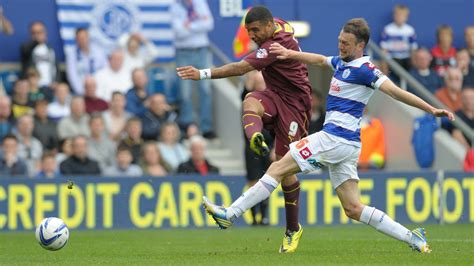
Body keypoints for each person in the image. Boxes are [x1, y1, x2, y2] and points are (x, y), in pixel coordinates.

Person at [202, 18, 454, 254]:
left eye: (345, 43)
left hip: (335, 138)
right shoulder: (342, 62)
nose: (340, 45)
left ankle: (231, 214)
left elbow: (396, 92)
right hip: (346, 144)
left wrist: (430, 109)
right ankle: (413, 238)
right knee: (353, 208)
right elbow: (320, 59)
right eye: (339, 40)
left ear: (360, 45)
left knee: (278, 167)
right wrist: (290, 54)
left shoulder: (366, 69)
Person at [177, 6, 312, 252]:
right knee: (250, 99)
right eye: (248, 30)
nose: (251, 35)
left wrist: (202, 74)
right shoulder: (279, 25)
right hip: (275, 94)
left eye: (255, 30)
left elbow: (240, 68)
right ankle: (256, 137)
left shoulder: (272, 46)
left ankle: (293, 228)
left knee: (283, 167)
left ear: (269, 25)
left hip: (296, 106)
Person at [172, 0, 216, 138]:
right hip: (183, 52)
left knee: (206, 90)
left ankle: (206, 128)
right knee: (185, 93)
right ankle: (188, 127)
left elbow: (209, 24)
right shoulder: (175, 6)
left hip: (201, 51)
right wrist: (198, 24)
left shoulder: (199, 3)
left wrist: (189, 25)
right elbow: (178, 32)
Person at [65, 28, 107, 95]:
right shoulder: (72, 55)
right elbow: (72, 76)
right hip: (82, 92)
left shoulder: (99, 51)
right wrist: (83, 92)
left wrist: (99, 90)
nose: (83, 40)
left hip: (100, 90)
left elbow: (105, 71)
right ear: (76, 40)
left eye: (84, 37)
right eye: (80, 38)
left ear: (88, 37)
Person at [20, 21, 60, 87]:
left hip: (50, 86)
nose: (37, 35)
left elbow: (55, 67)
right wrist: (37, 41)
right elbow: (26, 52)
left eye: (39, 32)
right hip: (34, 87)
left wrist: (56, 81)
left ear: (45, 33)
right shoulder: (27, 48)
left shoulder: (50, 49)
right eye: (33, 33)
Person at [380, 4, 417, 71]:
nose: (400, 17)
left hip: (406, 58)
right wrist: (384, 64)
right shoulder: (387, 29)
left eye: (402, 15)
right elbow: (384, 49)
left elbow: (413, 49)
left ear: (406, 17)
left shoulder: (410, 30)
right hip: (392, 58)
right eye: (397, 15)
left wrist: (414, 63)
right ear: (393, 16)